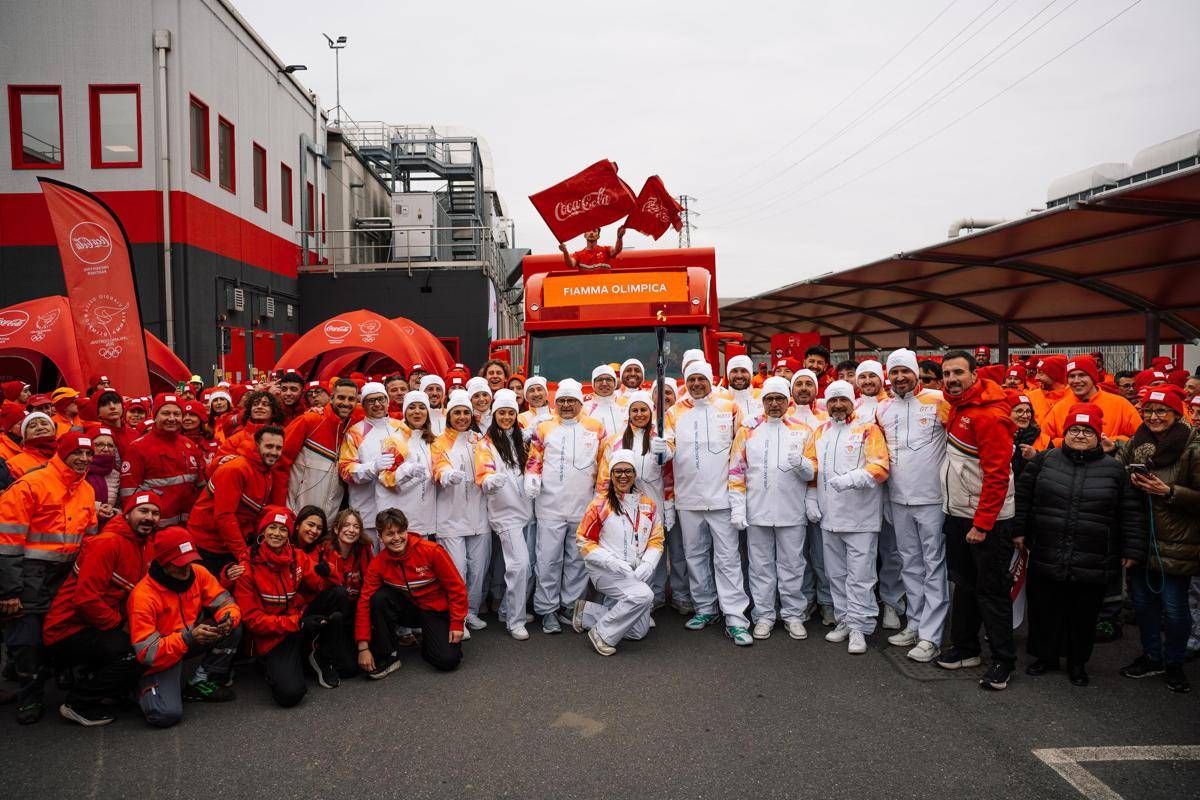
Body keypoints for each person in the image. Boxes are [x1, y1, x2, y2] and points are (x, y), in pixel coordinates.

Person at [1016, 403, 1146, 687]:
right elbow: (1023, 496)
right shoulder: (1045, 460)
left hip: (1093, 555)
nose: (1079, 435)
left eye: (1087, 431)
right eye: (1074, 429)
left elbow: (1130, 512)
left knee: (1083, 613)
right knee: (1045, 607)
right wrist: (1019, 531)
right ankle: (1045, 656)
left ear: (1099, 436)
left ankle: (1077, 663)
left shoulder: (1115, 470)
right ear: (1065, 433)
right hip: (1048, 548)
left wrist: (1132, 549)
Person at [935, 351, 1019, 690]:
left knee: (992, 591)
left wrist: (983, 524)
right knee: (965, 585)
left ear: (974, 375)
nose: (951, 379)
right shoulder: (957, 407)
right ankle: (966, 648)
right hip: (959, 513)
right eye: (946, 374)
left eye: (958, 372)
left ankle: (1003, 660)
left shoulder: (990, 415)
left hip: (986, 521)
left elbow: (997, 475)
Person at [0, 432, 98, 724]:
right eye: (77, 453)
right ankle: (29, 696)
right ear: (62, 454)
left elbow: (89, 538)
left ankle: (56, 672)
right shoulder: (31, 485)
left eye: (88, 454)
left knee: (60, 630)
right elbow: (6, 543)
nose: (83, 459)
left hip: (64, 574)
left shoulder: (86, 489)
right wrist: (9, 591)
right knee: (26, 639)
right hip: (29, 574)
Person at [43, 493, 160, 726]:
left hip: (96, 624)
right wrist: (120, 624)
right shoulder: (107, 543)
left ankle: (110, 690)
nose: (149, 517)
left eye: (155, 513)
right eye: (143, 511)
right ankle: (79, 703)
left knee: (144, 641)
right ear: (127, 514)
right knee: (137, 652)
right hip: (67, 629)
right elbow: (85, 600)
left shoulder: (144, 545)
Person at [659, 361, 754, 645]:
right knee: (695, 557)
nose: (697, 384)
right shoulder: (674, 412)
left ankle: (736, 617)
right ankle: (706, 608)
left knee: (727, 559)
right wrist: (661, 450)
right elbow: (669, 449)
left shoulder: (729, 407)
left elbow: (741, 448)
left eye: (701, 379)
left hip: (722, 497)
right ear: (685, 382)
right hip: (688, 499)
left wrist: (738, 498)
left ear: (710, 381)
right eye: (692, 379)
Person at [1116, 386, 1199, 693]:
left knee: (1174, 609)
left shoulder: (1192, 447)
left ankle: (1174, 662)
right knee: (1143, 605)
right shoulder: (1137, 441)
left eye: (1161, 411)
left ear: (1176, 413)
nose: (1153, 417)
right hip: (1140, 537)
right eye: (1148, 411)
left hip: (1176, 543)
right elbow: (1118, 471)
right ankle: (1152, 656)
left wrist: (1169, 492)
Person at [876, 349, 951, 662]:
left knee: (933, 565)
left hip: (932, 499)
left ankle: (932, 635)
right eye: (894, 372)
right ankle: (916, 623)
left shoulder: (938, 400)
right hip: (898, 499)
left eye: (905, 371)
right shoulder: (883, 408)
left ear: (916, 372)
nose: (899, 377)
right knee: (909, 563)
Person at [804, 381, 889, 655]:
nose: (838, 405)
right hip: (829, 517)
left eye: (843, 400)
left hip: (861, 518)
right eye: (833, 401)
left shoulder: (868, 429)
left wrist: (852, 479)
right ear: (826, 404)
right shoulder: (821, 431)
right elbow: (813, 468)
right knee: (836, 574)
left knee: (860, 576)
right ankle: (844, 620)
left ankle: (860, 628)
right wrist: (811, 498)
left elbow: (880, 467)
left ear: (853, 402)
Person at [127, 527, 242, 727]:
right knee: (165, 714)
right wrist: (187, 638)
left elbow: (226, 603)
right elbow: (147, 653)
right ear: (163, 563)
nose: (187, 568)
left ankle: (200, 680)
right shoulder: (143, 596)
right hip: (162, 657)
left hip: (188, 640)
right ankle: (135, 688)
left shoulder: (198, 572)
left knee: (234, 628)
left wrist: (228, 619)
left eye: (190, 560)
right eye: (179, 564)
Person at [728, 377, 814, 640]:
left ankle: (793, 615)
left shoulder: (803, 430)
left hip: (792, 511)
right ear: (763, 402)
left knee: (793, 566)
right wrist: (738, 508)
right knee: (760, 567)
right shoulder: (748, 431)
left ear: (788, 401)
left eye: (779, 399)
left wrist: (802, 464)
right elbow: (736, 472)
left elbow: (813, 471)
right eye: (769, 399)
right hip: (757, 511)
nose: (774, 403)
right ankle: (764, 615)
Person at [235, 506, 348, 704]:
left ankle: (320, 655)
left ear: (289, 534)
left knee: (338, 594)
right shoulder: (247, 567)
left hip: (297, 621)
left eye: (283, 529)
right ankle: (271, 663)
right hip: (274, 636)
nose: (277, 534)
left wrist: (329, 572)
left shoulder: (297, 556)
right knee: (290, 694)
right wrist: (297, 623)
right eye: (272, 527)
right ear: (263, 531)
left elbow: (322, 585)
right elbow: (253, 620)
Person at [525, 378, 605, 634]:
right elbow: (534, 459)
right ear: (556, 403)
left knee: (577, 561)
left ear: (580, 403)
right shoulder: (544, 427)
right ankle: (547, 609)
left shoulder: (595, 427)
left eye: (571, 400)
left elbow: (604, 462)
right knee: (548, 560)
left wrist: (600, 494)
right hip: (550, 506)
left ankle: (570, 606)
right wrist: (532, 477)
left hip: (583, 505)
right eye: (562, 401)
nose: (567, 405)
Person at [571, 450, 664, 656]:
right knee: (644, 595)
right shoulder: (599, 504)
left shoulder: (648, 505)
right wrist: (611, 561)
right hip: (605, 571)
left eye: (628, 471)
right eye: (618, 471)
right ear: (611, 475)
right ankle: (602, 634)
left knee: (639, 631)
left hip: (632, 572)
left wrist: (648, 563)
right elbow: (583, 540)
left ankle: (586, 613)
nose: (623, 476)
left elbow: (657, 539)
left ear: (635, 474)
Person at [356, 509, 466, 678]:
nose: (396, 538)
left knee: (447, 660)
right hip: (408, 610)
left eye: (400, 532)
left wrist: (457, 623)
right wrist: (363, 647)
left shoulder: (432, 551)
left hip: (435, 611)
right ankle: (389, 655)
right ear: (380, 536)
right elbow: (364, 601)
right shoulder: (378, 563)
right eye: (390, 534)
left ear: (406, 531)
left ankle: (430, 642)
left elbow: (456, 588)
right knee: (378, 598)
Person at [597, 391, 682, 612]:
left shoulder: (660, 437)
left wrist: (665, 450)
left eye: (643, 409)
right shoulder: (616, 440)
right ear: (629, 413)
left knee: (654, 549)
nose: (639, 414)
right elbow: (605, 475)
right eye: (634, 410)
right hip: (622, 502)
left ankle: (655, 596)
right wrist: (601, 504)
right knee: (628, 548)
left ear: (650, 412)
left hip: (652, 501)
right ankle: (629, 596)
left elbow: (669, 471)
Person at [475, 389, 534, 639]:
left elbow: (534, 465)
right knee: (519, 566)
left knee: (526, 566)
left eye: (511, 413)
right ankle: (515, 621)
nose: (507, 417)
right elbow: (484, 472)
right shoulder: (486, 444)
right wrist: (489, 480)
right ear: (495, 414)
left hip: (527, 510)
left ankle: (508, 609)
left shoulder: (521, 440)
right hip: (505, 514)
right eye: (502, 413)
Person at [189, 425, 284, 574]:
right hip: (209, 544)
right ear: (257, 445)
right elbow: (224, 517)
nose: (274, 452)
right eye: (269, 446)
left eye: (278, 448)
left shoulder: (265, 471)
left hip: (227, 543)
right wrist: (243, 554)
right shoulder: (236, 469)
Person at [433, 390, 491, 634]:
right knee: (457, 570)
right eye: (456, 412)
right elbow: (437, 466)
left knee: (478, 569)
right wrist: (445, 474)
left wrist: (491, 477)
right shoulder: (438, 442)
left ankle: (472, 612)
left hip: (478, 514)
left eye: (466, 412)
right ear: (449, 416)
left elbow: (489, 466)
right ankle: (457, 617)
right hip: (451, 515)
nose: (462, 417)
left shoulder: (481, 440)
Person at [788, 370, 834, 625]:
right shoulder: (784, 417)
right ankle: (804, 600)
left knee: (822, 553)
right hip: (791, 497)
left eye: (808, 384)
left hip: (822, 495)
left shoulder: (826, 419)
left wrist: (815, 494)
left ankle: (827, 601)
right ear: (791, 390)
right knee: (797, 556)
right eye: (799, 384)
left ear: (816, 389)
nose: (804, 388)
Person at [120, 393, 206, 528]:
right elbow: (129, 495)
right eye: (166, 413)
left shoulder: (189, 445)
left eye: (176, 414)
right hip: (155, 529)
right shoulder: (137, 448)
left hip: (189, 526)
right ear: (155, 416)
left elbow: (201, 487)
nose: (172, 418)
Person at [276, 378, 357, 518]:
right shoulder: (309, 420)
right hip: (296, 513)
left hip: (328, 519)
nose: (346, 403)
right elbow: (280, 462)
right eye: (341, 397)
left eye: (351, 399)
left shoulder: (353, 429)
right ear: (331, 398)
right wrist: (279, 507)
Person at [338, 382, 404, 551]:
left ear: (387, 401)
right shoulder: (355, 432)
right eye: (371, 400)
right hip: (367, 511)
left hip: (397, 510)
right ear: (364, 405)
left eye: (381, 399)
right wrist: (373, 467)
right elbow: (345, 470)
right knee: (370, 560)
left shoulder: (401, 428)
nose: (377, 404)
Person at [1034, 355, 1140, 450]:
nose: (1076, 380)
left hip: (1108, 463)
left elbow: (1140, 437)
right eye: (1072, 376)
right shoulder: (1059, 408)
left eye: (1082, 375)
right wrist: (1066, 443)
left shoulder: (1120, 404)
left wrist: (1114, 442)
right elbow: (1043, 441)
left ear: (1093, 377)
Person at [379, 391, 438, 538]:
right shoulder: (395, 440)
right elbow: (385, 478)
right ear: (405, 412)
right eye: (412, 407)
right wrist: (406, 470)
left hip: (426, 518)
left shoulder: (432, 441)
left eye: (422, 407)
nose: (417, 412)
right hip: (401, 520)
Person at [84, 426, 121, 525]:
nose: (106, 449)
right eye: (99, 444)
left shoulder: (116, 475)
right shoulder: (79, 471)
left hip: (108, 526)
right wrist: (96, 508)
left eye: (110, 445)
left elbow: (120, 506)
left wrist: (113, 512)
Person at [5, 411, 57, 479]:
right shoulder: (13, 465)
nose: (40, 428)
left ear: (53, 429)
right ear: (25, 435)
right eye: (33, 426)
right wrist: (27, 478)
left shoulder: (65, 454)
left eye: (44, 424)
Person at [585, 364, 626, 437]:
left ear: (614, 383)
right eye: (599, 380)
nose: (604, 383)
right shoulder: (584, 409)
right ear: (593, 384)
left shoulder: (625, 406)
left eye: (608, 379)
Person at [1026, 355, 1069, 424]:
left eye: (1041, 373)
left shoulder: (1075, 397)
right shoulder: (1030, 397)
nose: (1036, 377)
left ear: (1055, 374)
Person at [558, 226, 625, 269]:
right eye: (589, 230)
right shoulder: (578, 255)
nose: (591, 233)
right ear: (585, 235)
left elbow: (617, 250)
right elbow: (571, 264)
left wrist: (619, 237)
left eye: (594, 231)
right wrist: (565, 252)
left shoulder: (606, 250)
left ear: (598, 236)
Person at [1009, 393, 1040, 481]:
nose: (1025, 416)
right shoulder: (997, 438)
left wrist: (1035, 457)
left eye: (1028, 411)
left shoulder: (1043, 439)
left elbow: (1051, 471)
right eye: (1019, 411)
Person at [725, 355, 763, 420]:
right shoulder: (719, 399)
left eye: (744, 371)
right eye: (734, 371)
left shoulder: (762, 397)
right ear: (728, 374)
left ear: (751, 374)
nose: (739, 376)